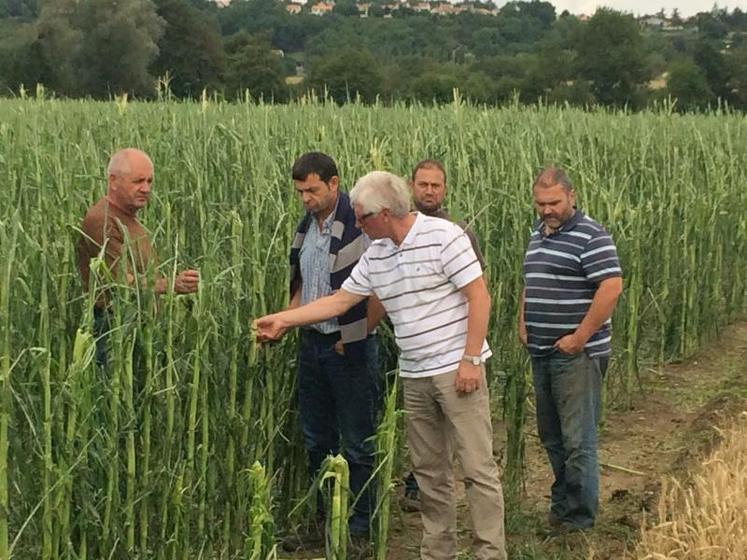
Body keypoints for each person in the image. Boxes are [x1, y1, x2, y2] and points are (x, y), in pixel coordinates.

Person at [255, 171, 506, 560]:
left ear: (385, 213)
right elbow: (341, 301)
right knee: (429, 473)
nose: (356, 224)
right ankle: (438, 552)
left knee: (477, 468)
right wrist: (284, 319)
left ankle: (491, 553)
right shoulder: (378, 253)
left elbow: (480, 295)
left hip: (457, 372)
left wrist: (471, 359)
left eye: (362, 217)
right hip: (415, 374)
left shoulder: (444, 237)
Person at [283, 152, 383, 547]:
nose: (305, 198)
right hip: (313, 344)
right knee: (316, 439)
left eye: (312, 190)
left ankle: (360, 531)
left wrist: (357, 334)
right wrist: (285, 321)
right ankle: (325, 523)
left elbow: (378, 290)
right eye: (300, 192)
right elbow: (302, 285)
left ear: (334, 183)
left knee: (358, 441)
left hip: (349, 348)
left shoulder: (358, 226)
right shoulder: (306, 228)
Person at [518, 167, 623, 535]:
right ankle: (562, 506)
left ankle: (578, 521)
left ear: (572, 196)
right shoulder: (538, 232)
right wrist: (523, 320)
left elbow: (610, 287)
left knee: (578, 440)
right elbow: (531, 280)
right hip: (543, 352)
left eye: (554, 203)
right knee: (552, 437)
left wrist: (579, 337)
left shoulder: (592, 236)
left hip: (576, 356)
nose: (547, 209)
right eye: (541, 203)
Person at [402, 159, 487, 510]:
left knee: (460, 431)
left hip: (453, 352)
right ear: (411, 186)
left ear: (445, 189)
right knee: (423, 431)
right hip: (412, 350)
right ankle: (416, 484)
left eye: (436, 185)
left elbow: (479, 290)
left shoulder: (459, 231)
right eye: (423, 184)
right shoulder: (397, 229)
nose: (429, 191)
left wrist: (472, 351)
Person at [78, 148, 199, 365]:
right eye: (138, 181)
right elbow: (120, 282)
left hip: (134, 325)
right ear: (113, 181)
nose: (146, 189)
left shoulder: (125, 218)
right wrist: (172, 284)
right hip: (114, 328)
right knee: (115, 394)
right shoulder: (103, 220)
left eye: (150, 181)